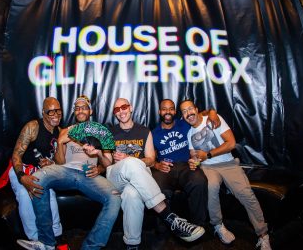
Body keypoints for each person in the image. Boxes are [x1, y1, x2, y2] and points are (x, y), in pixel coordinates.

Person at [17, 95, 121, 250]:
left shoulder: (100, 132)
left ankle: (91, 246)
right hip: (66, 170)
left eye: (84, 107)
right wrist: (60, 142)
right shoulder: (65, 131)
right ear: (74, 111)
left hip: (88, 175)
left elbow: (108, 163)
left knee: (115, 198)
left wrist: (99, 161)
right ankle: (46, 242)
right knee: (37, 178)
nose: (80, 110)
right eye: (77, 108)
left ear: (90, 110)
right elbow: (59, 162)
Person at [107, 98, 205, 250]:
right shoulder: (109, 132)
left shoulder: (144, 131)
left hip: (137, 179)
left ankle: (132, 245)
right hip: (117, 175)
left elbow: (151, 160)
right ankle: (170, 217)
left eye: (124, 107)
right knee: (132, 163)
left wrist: (129, 158)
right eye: (116, 109)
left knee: (132, 195)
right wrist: (101, 155)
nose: (121, 111)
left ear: (131, 108)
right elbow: (106, 164)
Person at [180, 99, 272, 250]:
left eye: (190, 109)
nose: (188, 113)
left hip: (228, 164)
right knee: (211, 187)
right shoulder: (190, 135)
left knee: (245, 193)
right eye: (184, 111)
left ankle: (263, 235)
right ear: (183, 116)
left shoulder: (213, 119)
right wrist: (194, 162)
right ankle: (218, 226)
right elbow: (195, 157)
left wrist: (208, 154)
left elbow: (231, 143)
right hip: (208, 168)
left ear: (196, 109)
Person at [151, 99, 220, 228]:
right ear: (159, 112)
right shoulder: (154, 133)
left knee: (199, 181)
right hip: (166, 169)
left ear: (175, 111)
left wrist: (212, 112)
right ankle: (164, 229)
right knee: (157, 187)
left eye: (171, 108)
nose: (168, 112)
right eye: (164, 109)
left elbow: (202, 113)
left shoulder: (184, 124)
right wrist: (157, 165)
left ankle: (198, 226)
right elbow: (151, 158)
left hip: (186, 166)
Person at [9, 97, 63, 243]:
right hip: (22, 169)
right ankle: (34, 239)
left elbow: (61, 162)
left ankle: (57, 236)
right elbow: (16, 155)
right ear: (43, 113)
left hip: (41, 172)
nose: (56, 114)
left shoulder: (60, 132)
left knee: (49, 194)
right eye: (51, 112)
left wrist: (51, 162)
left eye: (58, 110)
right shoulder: (33, 127)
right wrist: (22, 177)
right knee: (24, 194)